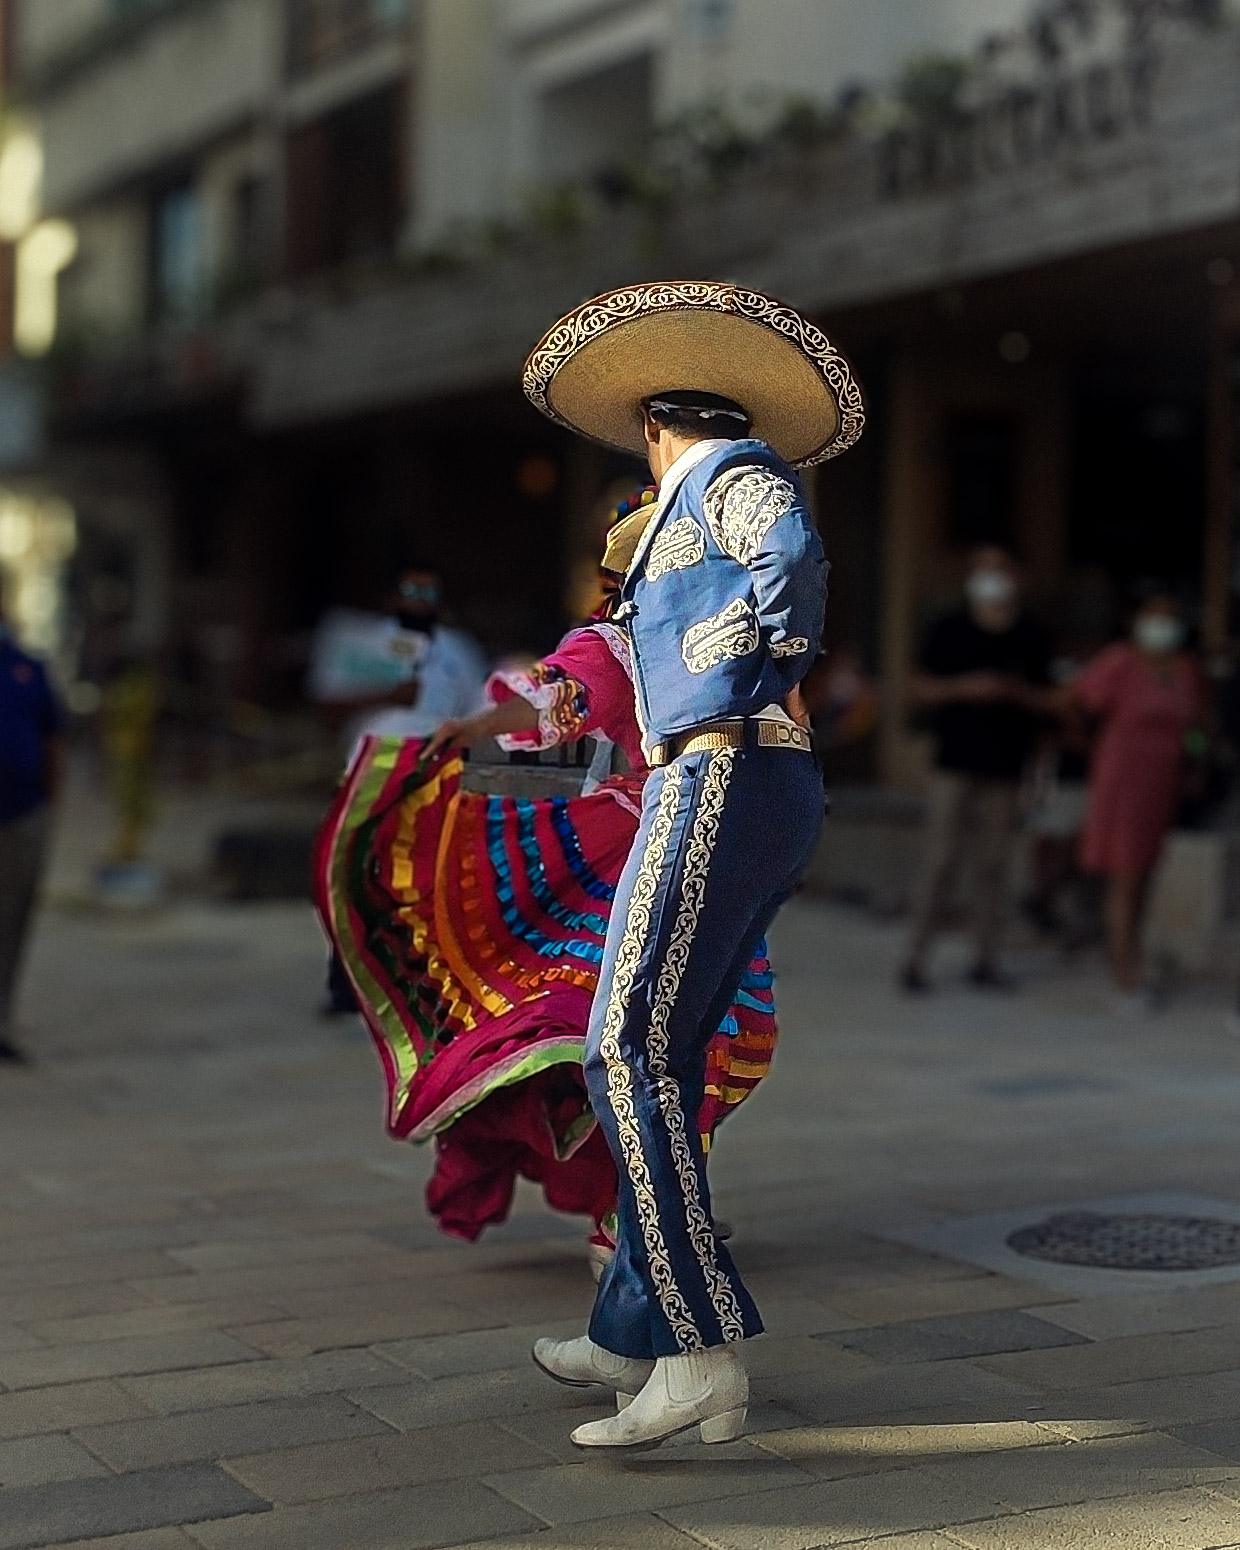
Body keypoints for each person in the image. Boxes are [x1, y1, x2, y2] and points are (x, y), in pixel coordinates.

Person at [502, 279, 863, 1451]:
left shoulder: (731, 477)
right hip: (735, 775)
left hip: (722, 773)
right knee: (662, 1050)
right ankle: (635, 1326)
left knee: (626, 1046)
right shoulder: (678, 515)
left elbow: (792, 566)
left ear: (659, 429)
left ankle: (697, 1350)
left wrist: (743, 671)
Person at [315, 525, 779, 1275]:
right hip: (639, 859)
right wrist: (473, 737)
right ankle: (626, 1223)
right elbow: (558, 713)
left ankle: (660, 1206)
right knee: (659, 1041)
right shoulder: (619, 643)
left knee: (724, 1040)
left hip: (713, 856)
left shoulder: (732, 639)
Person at [310, 565, 487, 1014]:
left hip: (434, 771)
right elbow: (325, 702)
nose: (419, 600)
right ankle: (346, 982)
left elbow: (479, 710)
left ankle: (419, 985)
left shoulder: (457, 650)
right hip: (368, 769)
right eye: (410, 591)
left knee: (425, 877)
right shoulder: (362, 641)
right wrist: (387, 696)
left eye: (428, 592)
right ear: (391, 598)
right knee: (357, 873)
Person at [901, 546, 1052, 994]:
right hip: (954, 763)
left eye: (1000, 570)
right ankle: (915, 958)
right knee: (940, 862)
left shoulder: (1030, 634)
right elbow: (918, 687)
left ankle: (986, 958)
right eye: (984, 570)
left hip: (1006, 767)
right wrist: (964, 689)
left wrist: (1013, 692)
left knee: (994, 865)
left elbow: (1051, 698)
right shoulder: (950, 629)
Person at [1071, 592, 1205, 1008]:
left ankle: (1134, 950)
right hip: (1121, 777)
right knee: (1124, 872)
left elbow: (1197, 729)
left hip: (1161, 780)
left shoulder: (1185, 671)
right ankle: (1122, 963)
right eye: (1154, 618)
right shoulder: (1120, 662)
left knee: (1146, 871)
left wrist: (1195, 761)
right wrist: (1082, 745)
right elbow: (1078, 701)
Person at [0, 593, 65, 1064]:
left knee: (10, 922)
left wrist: (50, 803)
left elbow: (54, 737)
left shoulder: (26, 667)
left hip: (23, 813)